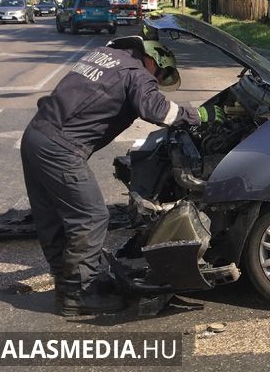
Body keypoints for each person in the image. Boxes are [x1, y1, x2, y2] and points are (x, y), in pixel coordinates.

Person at [20, 35, 221, 316]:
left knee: (52, 217)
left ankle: (69, 283)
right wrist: (200, 115)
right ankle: (80, 296)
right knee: (90, 217)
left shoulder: (105, 55)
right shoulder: (135, 72)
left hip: (36, 135)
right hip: (61, 148)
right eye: (160, 74)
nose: (157, 78)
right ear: (152, 59)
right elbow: (158, 110)